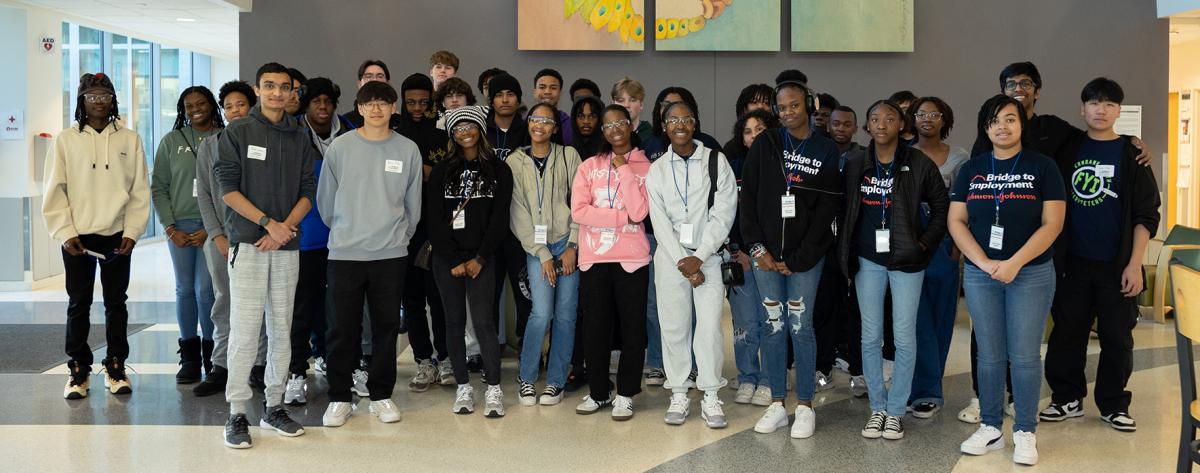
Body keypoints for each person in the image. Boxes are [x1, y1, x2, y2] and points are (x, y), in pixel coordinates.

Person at [950, 94, 1065, 466]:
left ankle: (1025, 431)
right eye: (995, 120)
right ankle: (990, 426)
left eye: (1010, 119)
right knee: (989, 353)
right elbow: (956, 221)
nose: (1003, 126)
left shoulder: (1043, 167)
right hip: (983, 274)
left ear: (1022, 124)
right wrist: (983, 262)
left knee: (1025, 354)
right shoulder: (972, 169)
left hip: (1030, 273)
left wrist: (1014, 262)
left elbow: (1053, 224)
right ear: (986, 127)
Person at [1041, 78, 1160, 432]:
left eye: (1109, 104)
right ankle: (1066, 399)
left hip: (1117, 265)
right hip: (1072, 263)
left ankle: (1113, 404)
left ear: (1119, 111)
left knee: (1117, 337)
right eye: (1094, 102)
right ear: (1083, 108)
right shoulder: (1068, 147)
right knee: (1067, 333)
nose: (1101, 109)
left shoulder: (1132, 154)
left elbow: (1146, 214)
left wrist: (1135, 264)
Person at [215, 62, 317, 448]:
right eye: (269, 86)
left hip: (285, 244)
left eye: (284, 87)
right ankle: (237, 412)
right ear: (258, 90)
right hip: (249, 242)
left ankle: (274, 405)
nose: (277, 93)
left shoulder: (299, 135)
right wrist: (266, 223)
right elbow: (227, 189)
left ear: (294, 92)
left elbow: (309, 189)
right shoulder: (238, 131)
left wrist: (284, 228)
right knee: (244, 329)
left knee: (281, 328)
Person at [837, 99, 949, 441]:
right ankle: (877, 408)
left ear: (902, 125)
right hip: (868, 260)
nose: (881, 124)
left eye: (889, 118)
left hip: (907, 261)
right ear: (867, 127)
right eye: (874, 119)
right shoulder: (855, 162)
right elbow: (842, 208)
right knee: (870, 336)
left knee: (903, 337)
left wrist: (924, 245)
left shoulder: (918, 163)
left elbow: (942, 207)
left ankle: (897, 410)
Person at [740, 71, 842, 439]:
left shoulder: (826, 149)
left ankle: (806, 405)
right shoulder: (765, 144)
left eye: (794, 105)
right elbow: (747, 201)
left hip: (805, 261)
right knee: (773, 325)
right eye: (781, 107)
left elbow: (828, 210)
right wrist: (758, 250)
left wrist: (799, 258)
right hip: (764, 258)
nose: (787, 113)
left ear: (810, 105)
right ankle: (776, 403)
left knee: (801, 327)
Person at [319, 81, 423, 427]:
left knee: (385, 327)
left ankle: (381, 395)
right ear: (359, 108)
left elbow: (413, 205)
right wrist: (347, 231)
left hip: (389, 254)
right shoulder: (339, 148)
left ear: (394, 108)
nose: (376, 109)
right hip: (345, 253)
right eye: (369, 103)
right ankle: (339, 397)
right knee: (341, 329)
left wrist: (398, 238)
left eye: (383, 103)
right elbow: (326, 202)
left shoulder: (408, 149)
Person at [45, 72, 150, 400]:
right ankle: (78, 369)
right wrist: (65, 232)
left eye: (105, 95)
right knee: (79, 303)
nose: (99, 101)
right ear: (82, 100)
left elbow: (139, 190)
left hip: (117, 234)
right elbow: (55, 189)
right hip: (77, 236)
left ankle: (115, 364)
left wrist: (132, 232)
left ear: (113, 99)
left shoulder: (129, 139)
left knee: (116, 303)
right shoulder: (65, 139)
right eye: (92, 96)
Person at [647, 101, 738, 428]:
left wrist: (699, 257)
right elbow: (659, 222)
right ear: (664, 125)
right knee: (674, 328)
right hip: (671, 260)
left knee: (710, 328)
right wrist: (683, 261)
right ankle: (680, 392)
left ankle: (712, 394)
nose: (680, 124)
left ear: (695, 122)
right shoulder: (656, 169)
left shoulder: (716, 161)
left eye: (686, 118)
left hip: (709, 258)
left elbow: (724, 212)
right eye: (673, 119)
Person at [426, 105, 513, 418]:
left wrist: (479, 258)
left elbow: (499, 219)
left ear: (480, 129)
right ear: (452, 133)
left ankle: (492, 388)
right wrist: (452, 258)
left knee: (484, 323)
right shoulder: (440, 170)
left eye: (470, 126)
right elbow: (433, 219)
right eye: (459, 128)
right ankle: (463, 386)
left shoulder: (498, 169)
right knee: (453, 323)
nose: (465, 133)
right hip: (447, 260)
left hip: (483, 258)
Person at [571, 104, 652, 421]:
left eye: (621, 122)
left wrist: (623, 168)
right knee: (595, 329)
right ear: (602, 131)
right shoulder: (588, 166)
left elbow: (641, 212)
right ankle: (598, 393)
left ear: (631, 125)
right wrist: (623, 219)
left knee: (633, 331)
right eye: (608, 125)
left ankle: (627, 393)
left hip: (632, 259)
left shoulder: (645, 166)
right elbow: (579, 211)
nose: (615, 129)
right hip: (594, 258)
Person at [507, 102, 583, 407]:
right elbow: (517, 211)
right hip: (536, 249)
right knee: (541, 313)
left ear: (556, 127)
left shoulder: (569, 156)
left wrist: (573, 246)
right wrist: (542, 253)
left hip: (567, 244)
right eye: (535, 119)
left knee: (565, 316)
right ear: (528, 123)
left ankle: (555, 381)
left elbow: (581, 202)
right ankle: (527, 377)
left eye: (547, 121)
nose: (540, 125)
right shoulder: (515, 161)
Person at [284, 77, 354, 406]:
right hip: (305, 237)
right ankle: (297, 372)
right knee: (301, 308)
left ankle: (338, 364)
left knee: (339, 310)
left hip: (344, 237)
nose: (322, 107)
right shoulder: (294, 132)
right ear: (306, 104)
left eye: (328, 101)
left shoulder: (352, 130)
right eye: (316, 101)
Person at [152, 85, 222, 384]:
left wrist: (212, 227)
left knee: (207, 291)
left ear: (212, 105)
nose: (195, 108)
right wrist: (170, 227)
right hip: (179, 227)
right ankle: (189, 357)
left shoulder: (224, 137)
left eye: (201, 103)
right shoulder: (171, 141)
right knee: (184, 289)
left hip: (213, 226)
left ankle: (212, 356)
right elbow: (159, 187)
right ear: (182, 109)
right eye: (189, 105)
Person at [907, 96, 970, 418]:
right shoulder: (904, 153)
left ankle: (930, 390)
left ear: (945, 119)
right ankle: (920, 388)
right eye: (921, 113)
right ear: (912, 119)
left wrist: (959, 245)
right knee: (915, 319)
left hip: (946, 239)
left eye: (935, 114)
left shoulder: (960, 156)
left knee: (941, 317)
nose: (928, 119)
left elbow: (964, 205)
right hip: (910, 239)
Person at [193, 80, 255, 397]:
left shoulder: (264, 141)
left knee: (262, 303)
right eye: (228, 106)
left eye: (240, 104)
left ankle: (258, 365)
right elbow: (204, 194)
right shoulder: (210, 145)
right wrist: (216, 234)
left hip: (260, 238)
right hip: (221, 240)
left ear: (252, 106)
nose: (235, 110)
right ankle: (222, 365)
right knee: (224, 301)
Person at [396, 72, 454, 390]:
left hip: (437, 231)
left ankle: (445, 357)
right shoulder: (395, 135)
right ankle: (423, 361)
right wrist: (424, 174)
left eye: (423, 102)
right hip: (403, 231)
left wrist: (426, 172)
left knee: (440, 297)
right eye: (411, 102)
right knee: (413, 299)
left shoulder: (441, 135)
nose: (417, 107)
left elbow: (450, 178)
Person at [722, 109, 778, 406]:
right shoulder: (732, 167)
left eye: (760, 129)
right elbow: (724, 213)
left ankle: (771, 380)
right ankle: (747, 377)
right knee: (745, 322)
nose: (754, 135)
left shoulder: (783, 167)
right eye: (747, 130)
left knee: (771, 320)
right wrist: (736, 249)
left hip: (771, 258)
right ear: (741, 138)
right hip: (741, 256)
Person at [483, 73, 533, 360]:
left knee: (524, 290)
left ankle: (527, 348)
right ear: (491, 100)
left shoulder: (529, 131)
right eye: (499, 95)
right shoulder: (480, 131)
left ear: (518, 99)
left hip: (520, 224)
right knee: (487, 295)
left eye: (510, 94)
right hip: (488, 226)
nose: (505, 99)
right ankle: (487, 351)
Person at [827, 105, 868, 398]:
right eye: (836, 124)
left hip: (855, 242)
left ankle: (859, 369)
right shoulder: (820, 153)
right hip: (823, 245)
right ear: (828, 126)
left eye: (846, 124)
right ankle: (823, 365)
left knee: (857, 312)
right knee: (826, 308)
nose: (840, 128)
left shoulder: (863, 157)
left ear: (855, 128)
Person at [643, 87, 723, 161]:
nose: (672, 110)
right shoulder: (648, 145)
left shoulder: (708, 143)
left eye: (677, 104)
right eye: (666, 105)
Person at [342, 59, 403, 131]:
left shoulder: (400, 122)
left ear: (388, 83)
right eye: (368, 76)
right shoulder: (346, 122)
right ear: (359, 84)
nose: (374, 80)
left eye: (380, 76)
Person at [532, 68, 574, 144]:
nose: (547, 92)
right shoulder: (525, 123)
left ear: (560, 93)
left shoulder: (569, 124)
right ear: (534, 92)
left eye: (553, 88)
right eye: (542, 87)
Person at [611, 77, 653, 143]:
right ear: (613, 104)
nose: (626, 105)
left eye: (632, 100)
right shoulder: (605, 135)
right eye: (621, 101)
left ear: (641, 105)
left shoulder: (652, 135)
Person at [570, 95, 605, 159]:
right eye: (581, 116)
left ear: (600, 119)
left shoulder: (608, 150)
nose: (586, 121)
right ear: (574, 119)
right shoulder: (567, 150)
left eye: (592, 116)